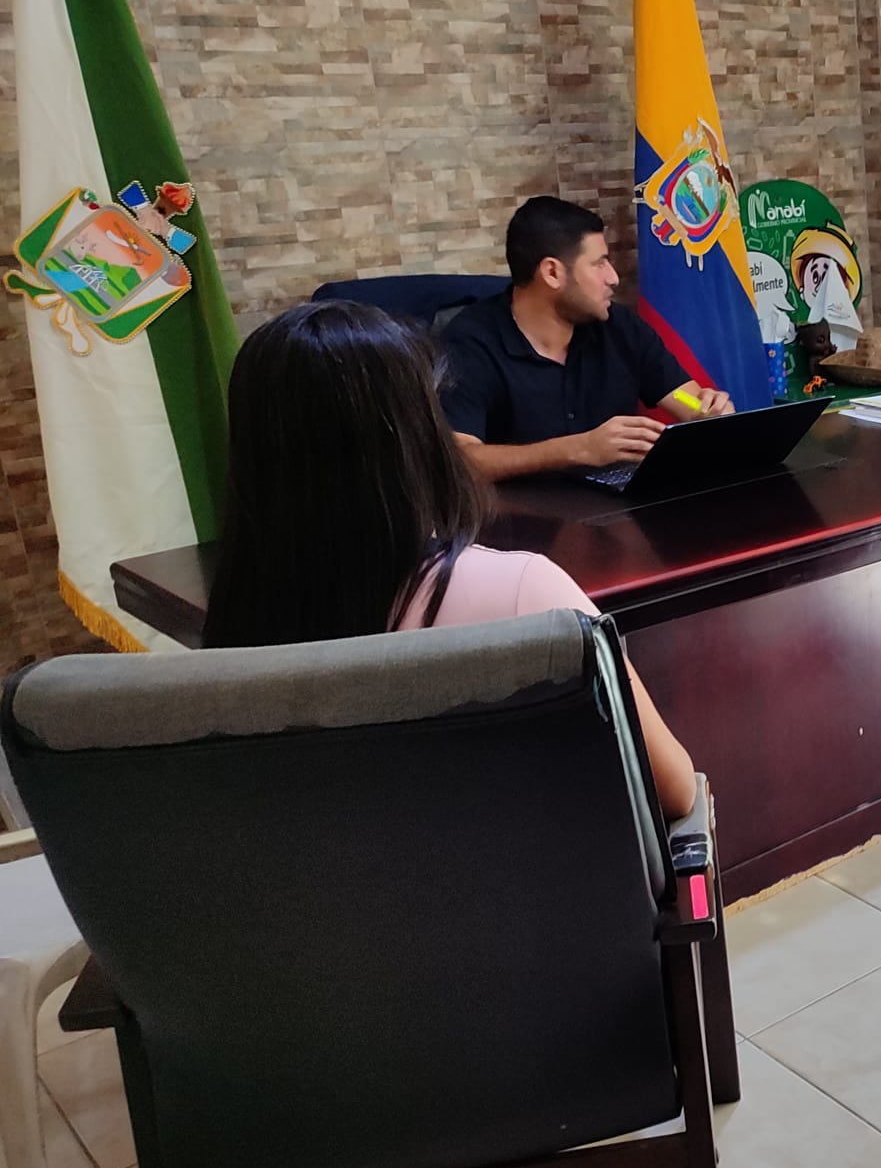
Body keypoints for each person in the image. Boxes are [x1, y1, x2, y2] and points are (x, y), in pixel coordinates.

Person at [204, 299, 701, 820]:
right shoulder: (524, 591)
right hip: (508, 867)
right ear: (413, 439)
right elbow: (673, 789)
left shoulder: (238, 612)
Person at [439, 195, 735, 484]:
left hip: (623, 506)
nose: (614, 278)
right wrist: (577, 449)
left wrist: (707, 412)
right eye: (599, 263)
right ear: (552, 273)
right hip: (521, 511)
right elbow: (460, 461)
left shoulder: (619, 327)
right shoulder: (469, 342)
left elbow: (684, 398)